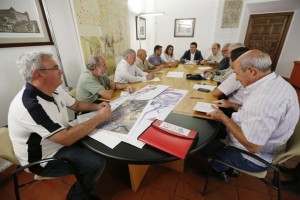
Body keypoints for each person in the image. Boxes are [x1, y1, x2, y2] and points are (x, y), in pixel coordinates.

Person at [8, 51, 113, 200]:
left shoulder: (54, 89)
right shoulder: (30, 106)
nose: (61, 71)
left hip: (59, 140)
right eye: (55, 68)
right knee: (96, 162)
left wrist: (98, 108)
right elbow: (66, 139)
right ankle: (77, 197)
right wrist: (99, 118)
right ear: (38, 74)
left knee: (100, 140)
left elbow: (76, 104)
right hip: (44, 159)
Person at [201, 50, 299, 181]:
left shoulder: (265, 101)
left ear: (251, 71)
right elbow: (253, 112)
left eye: (237, 73)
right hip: (268, 145)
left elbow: (253, 146)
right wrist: (231, 104)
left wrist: (223, 118)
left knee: (201, 142)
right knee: (213, 130)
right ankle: (225, 166)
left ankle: (219, 171)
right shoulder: (275, 82)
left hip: (253, 157)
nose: (236, 77)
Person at [212, 47, 249, 114]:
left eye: (230, 58)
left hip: (232, 110)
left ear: (236, 60)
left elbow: (216, 93)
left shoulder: (237, 74)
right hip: (234, 107)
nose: (228, 61)